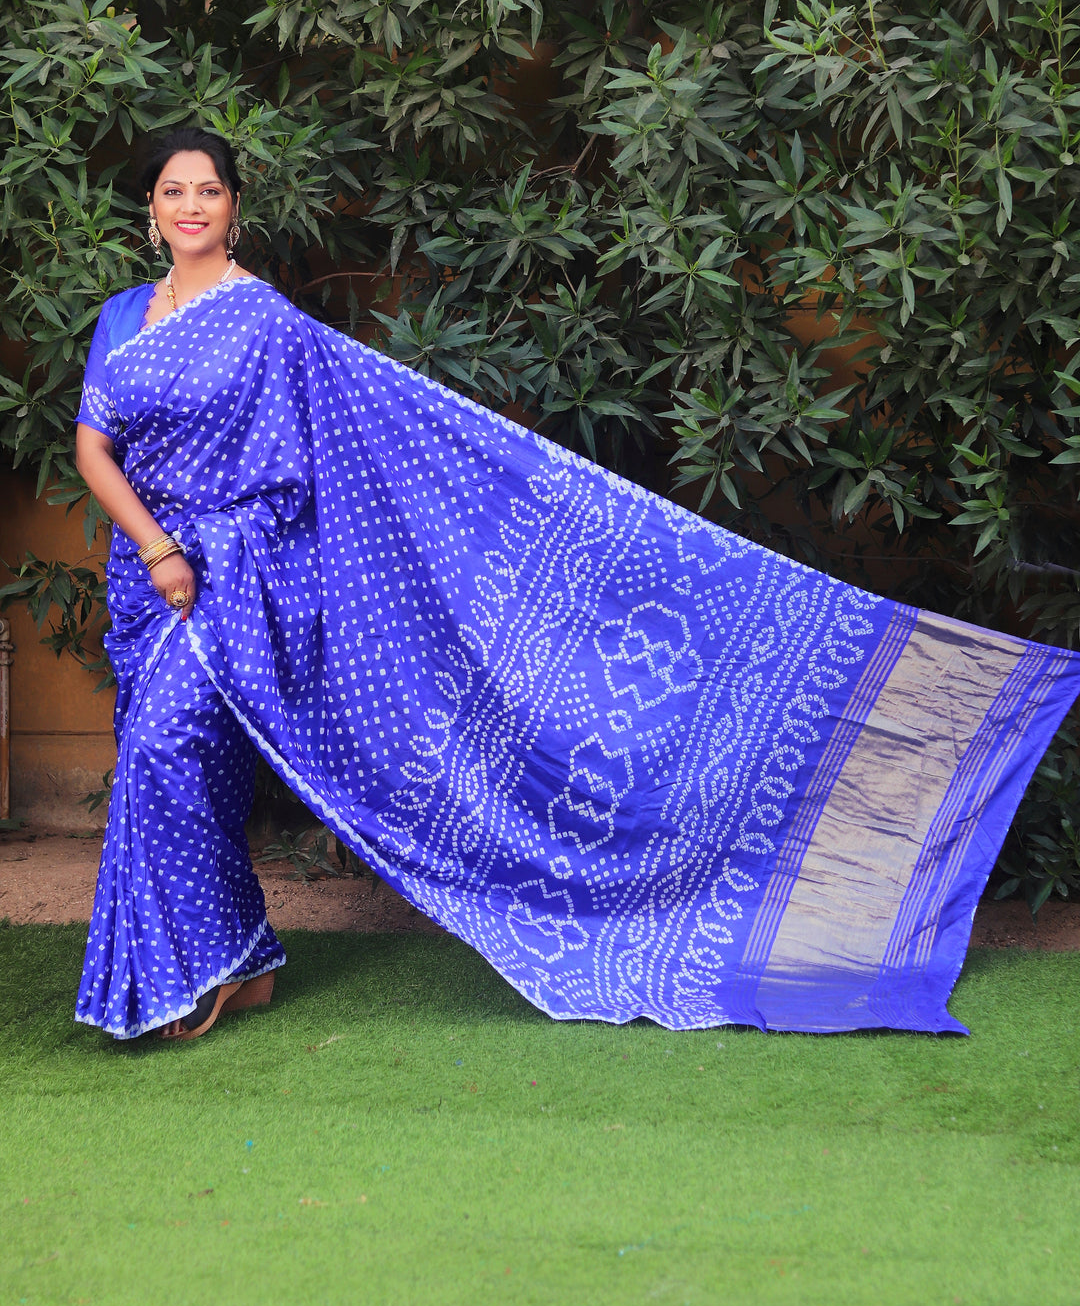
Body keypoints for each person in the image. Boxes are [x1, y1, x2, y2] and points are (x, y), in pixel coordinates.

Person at [75, 126, 1080, 1043]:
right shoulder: (122, 320)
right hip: (152, 577)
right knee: (175, 757)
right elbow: (92, 449)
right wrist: (158, 547)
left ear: (234, 209)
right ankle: (236, 955)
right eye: (176, 191)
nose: (194, 205)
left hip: (242, 585)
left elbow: (349, 436)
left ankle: (194, 967)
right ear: (153, 209)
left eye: (210, 190)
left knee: (168, 749)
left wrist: (208, 554)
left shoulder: (265, 320)